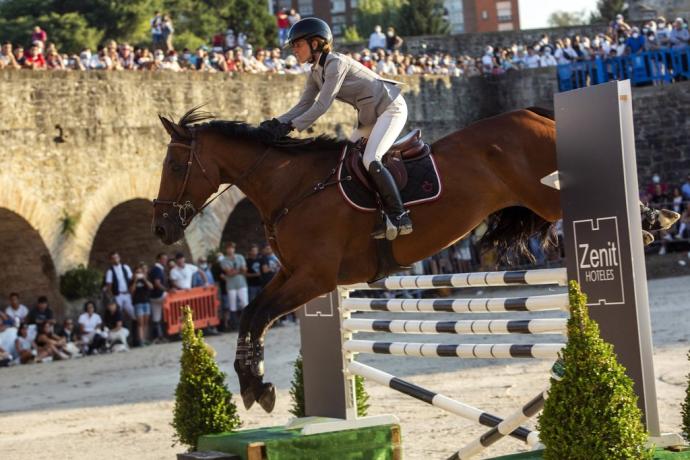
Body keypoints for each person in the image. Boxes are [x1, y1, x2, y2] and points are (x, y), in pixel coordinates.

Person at [260, 17, 413, 240]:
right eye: (293, 46)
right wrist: (277, 123)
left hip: (391, 108)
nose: (294, 50)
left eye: (298, 45)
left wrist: (290, 127)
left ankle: (399, 215)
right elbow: (303, 104)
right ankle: (376, 212)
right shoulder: (315, 72)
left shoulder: (336, 63)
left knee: (371, 158)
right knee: (347, 159)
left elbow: (322, 105)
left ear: (316, 43)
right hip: (369, 117)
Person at [220, 242, 247, 331]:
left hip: (241, 283)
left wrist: (236, 271)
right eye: (228, 248)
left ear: (234, 249)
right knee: (232, 305)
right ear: (226, 250)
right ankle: (234, 325)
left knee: (244, 303)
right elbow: (229, 273)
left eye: (231, 248)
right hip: (231, 285)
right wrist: (239, 270)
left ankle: (247, 322)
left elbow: (244, 270)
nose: (230, 250)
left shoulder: (240, 257)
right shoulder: (224, 260)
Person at [103, 251, 135, 320]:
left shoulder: (125, 267)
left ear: (119, 258)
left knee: (133, 313)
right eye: (113, 258)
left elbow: (131, 279)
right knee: (118, 314)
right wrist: (112, 298)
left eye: (116, 257)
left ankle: (133, 329)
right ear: (111, 260)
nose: (115, 259)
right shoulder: (110, 271)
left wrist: (131, 291)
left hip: (127, 294)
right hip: (118, 295)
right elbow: (109, 286)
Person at [130, 263, 153, 345]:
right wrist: (135, 281)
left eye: (140, 272)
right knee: (140, 323)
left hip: (146, 302)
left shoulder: (145, 279)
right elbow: (131, 291)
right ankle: (141, 340)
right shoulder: (132, 281)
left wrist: (144, 279)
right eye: (137, 272)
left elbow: (151, 287)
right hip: (138, 303)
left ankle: (146, 339)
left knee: (146, 322)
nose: (139, 274)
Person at [148, 253, 168, 343]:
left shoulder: (157, 269)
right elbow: (157, 283)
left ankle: (159, 336)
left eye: (166, 259)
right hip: (159, 295)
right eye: (163, 259)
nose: (165, 261)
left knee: (156, 317)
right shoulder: (157, 269)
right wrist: (166, 290)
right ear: (158, 260)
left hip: (154, 296)